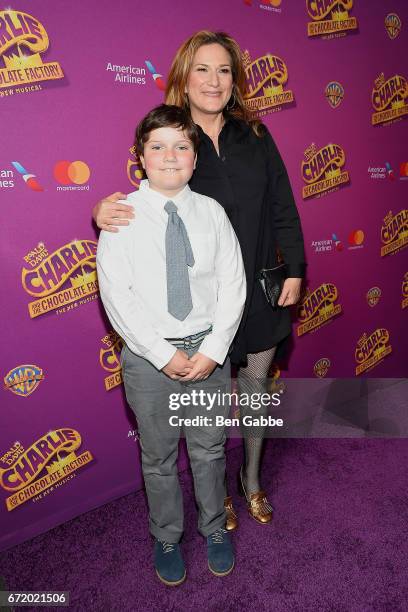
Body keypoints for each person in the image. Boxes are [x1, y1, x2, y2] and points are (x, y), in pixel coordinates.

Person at [93, 31, 306, 529]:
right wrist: (100, 208)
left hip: (260, 290)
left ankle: (250, 481)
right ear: (184, 80)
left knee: (254, 391)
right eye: (203, 70)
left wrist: (295, 267)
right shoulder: (175, 136)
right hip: (202, 309)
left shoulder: (254, 133)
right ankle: (216, 497)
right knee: (206, 406)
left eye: (225, 70)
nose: (214, 80)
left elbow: (283, 203)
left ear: (235, 81)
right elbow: (144, 192)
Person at [96, 104, 246, 586]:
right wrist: (163, 354)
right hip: (147, 358)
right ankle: (166, 535)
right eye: (157, 146)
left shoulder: (213, 213)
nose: (169, 155)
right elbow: (117, 295)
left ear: (195, 158)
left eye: (182, 145)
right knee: (158, 458)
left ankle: (213, 527)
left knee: (210, 450)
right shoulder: (121, 216)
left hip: (207, 351)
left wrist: (213, 349)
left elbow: (232, 284)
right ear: (140, 156)